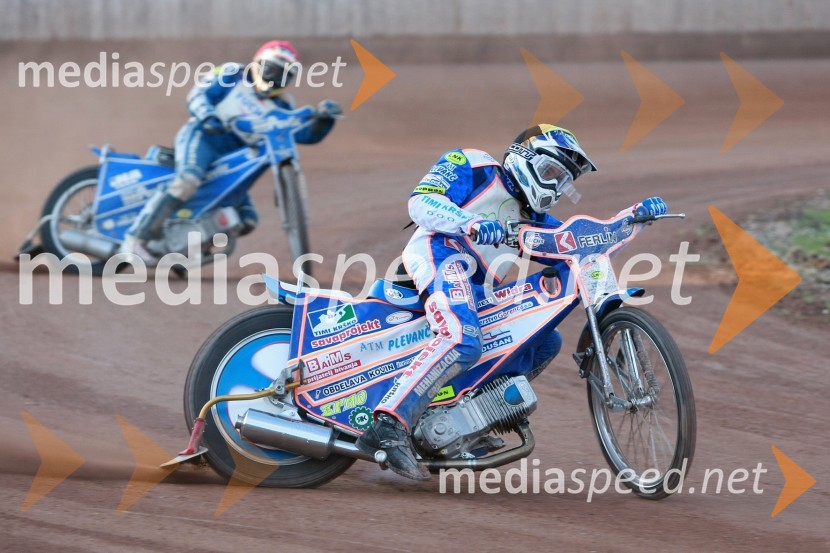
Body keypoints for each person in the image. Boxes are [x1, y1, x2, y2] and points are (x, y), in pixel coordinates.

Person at [355, 124, 668, 480]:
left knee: (545, 340)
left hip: (478, 287)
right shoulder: (473, 164)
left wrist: (632, 218)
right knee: (462, 338)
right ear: (525, 159)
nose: (555, 188)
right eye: (552, 174)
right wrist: (467, 222)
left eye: (563, 181)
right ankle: (387, 423)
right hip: (440, 253)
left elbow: (582, 246)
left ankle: (461, 420)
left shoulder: (534, 221)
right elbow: (421, 202)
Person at [120, 40, 341, 263]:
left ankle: (180, 249)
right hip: (205, 137)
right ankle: (135, 239)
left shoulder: (284, 105)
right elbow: (198, 94)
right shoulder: (232, 73)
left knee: (246, 219)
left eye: (283, 75)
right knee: (187, 180)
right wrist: (208, 116)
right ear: (258, 63)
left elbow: (302, 135)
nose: (275, 78)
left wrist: (324, 120)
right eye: (272, 70)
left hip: (237, 158)